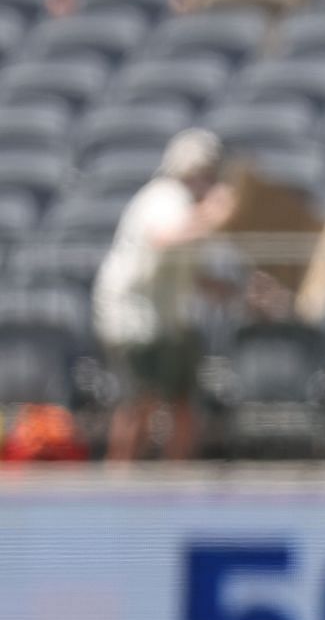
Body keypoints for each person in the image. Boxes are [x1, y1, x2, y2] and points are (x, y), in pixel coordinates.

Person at [93, 128, 234, 463]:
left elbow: (188, 272)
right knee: (142, 402)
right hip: (134, 318)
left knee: (182, 401)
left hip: (168, 320)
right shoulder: (165, 197)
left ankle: (175, 481)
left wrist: (235, 291)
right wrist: (213, 215)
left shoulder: (190, 207)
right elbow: (163, 239)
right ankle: (120, 479)